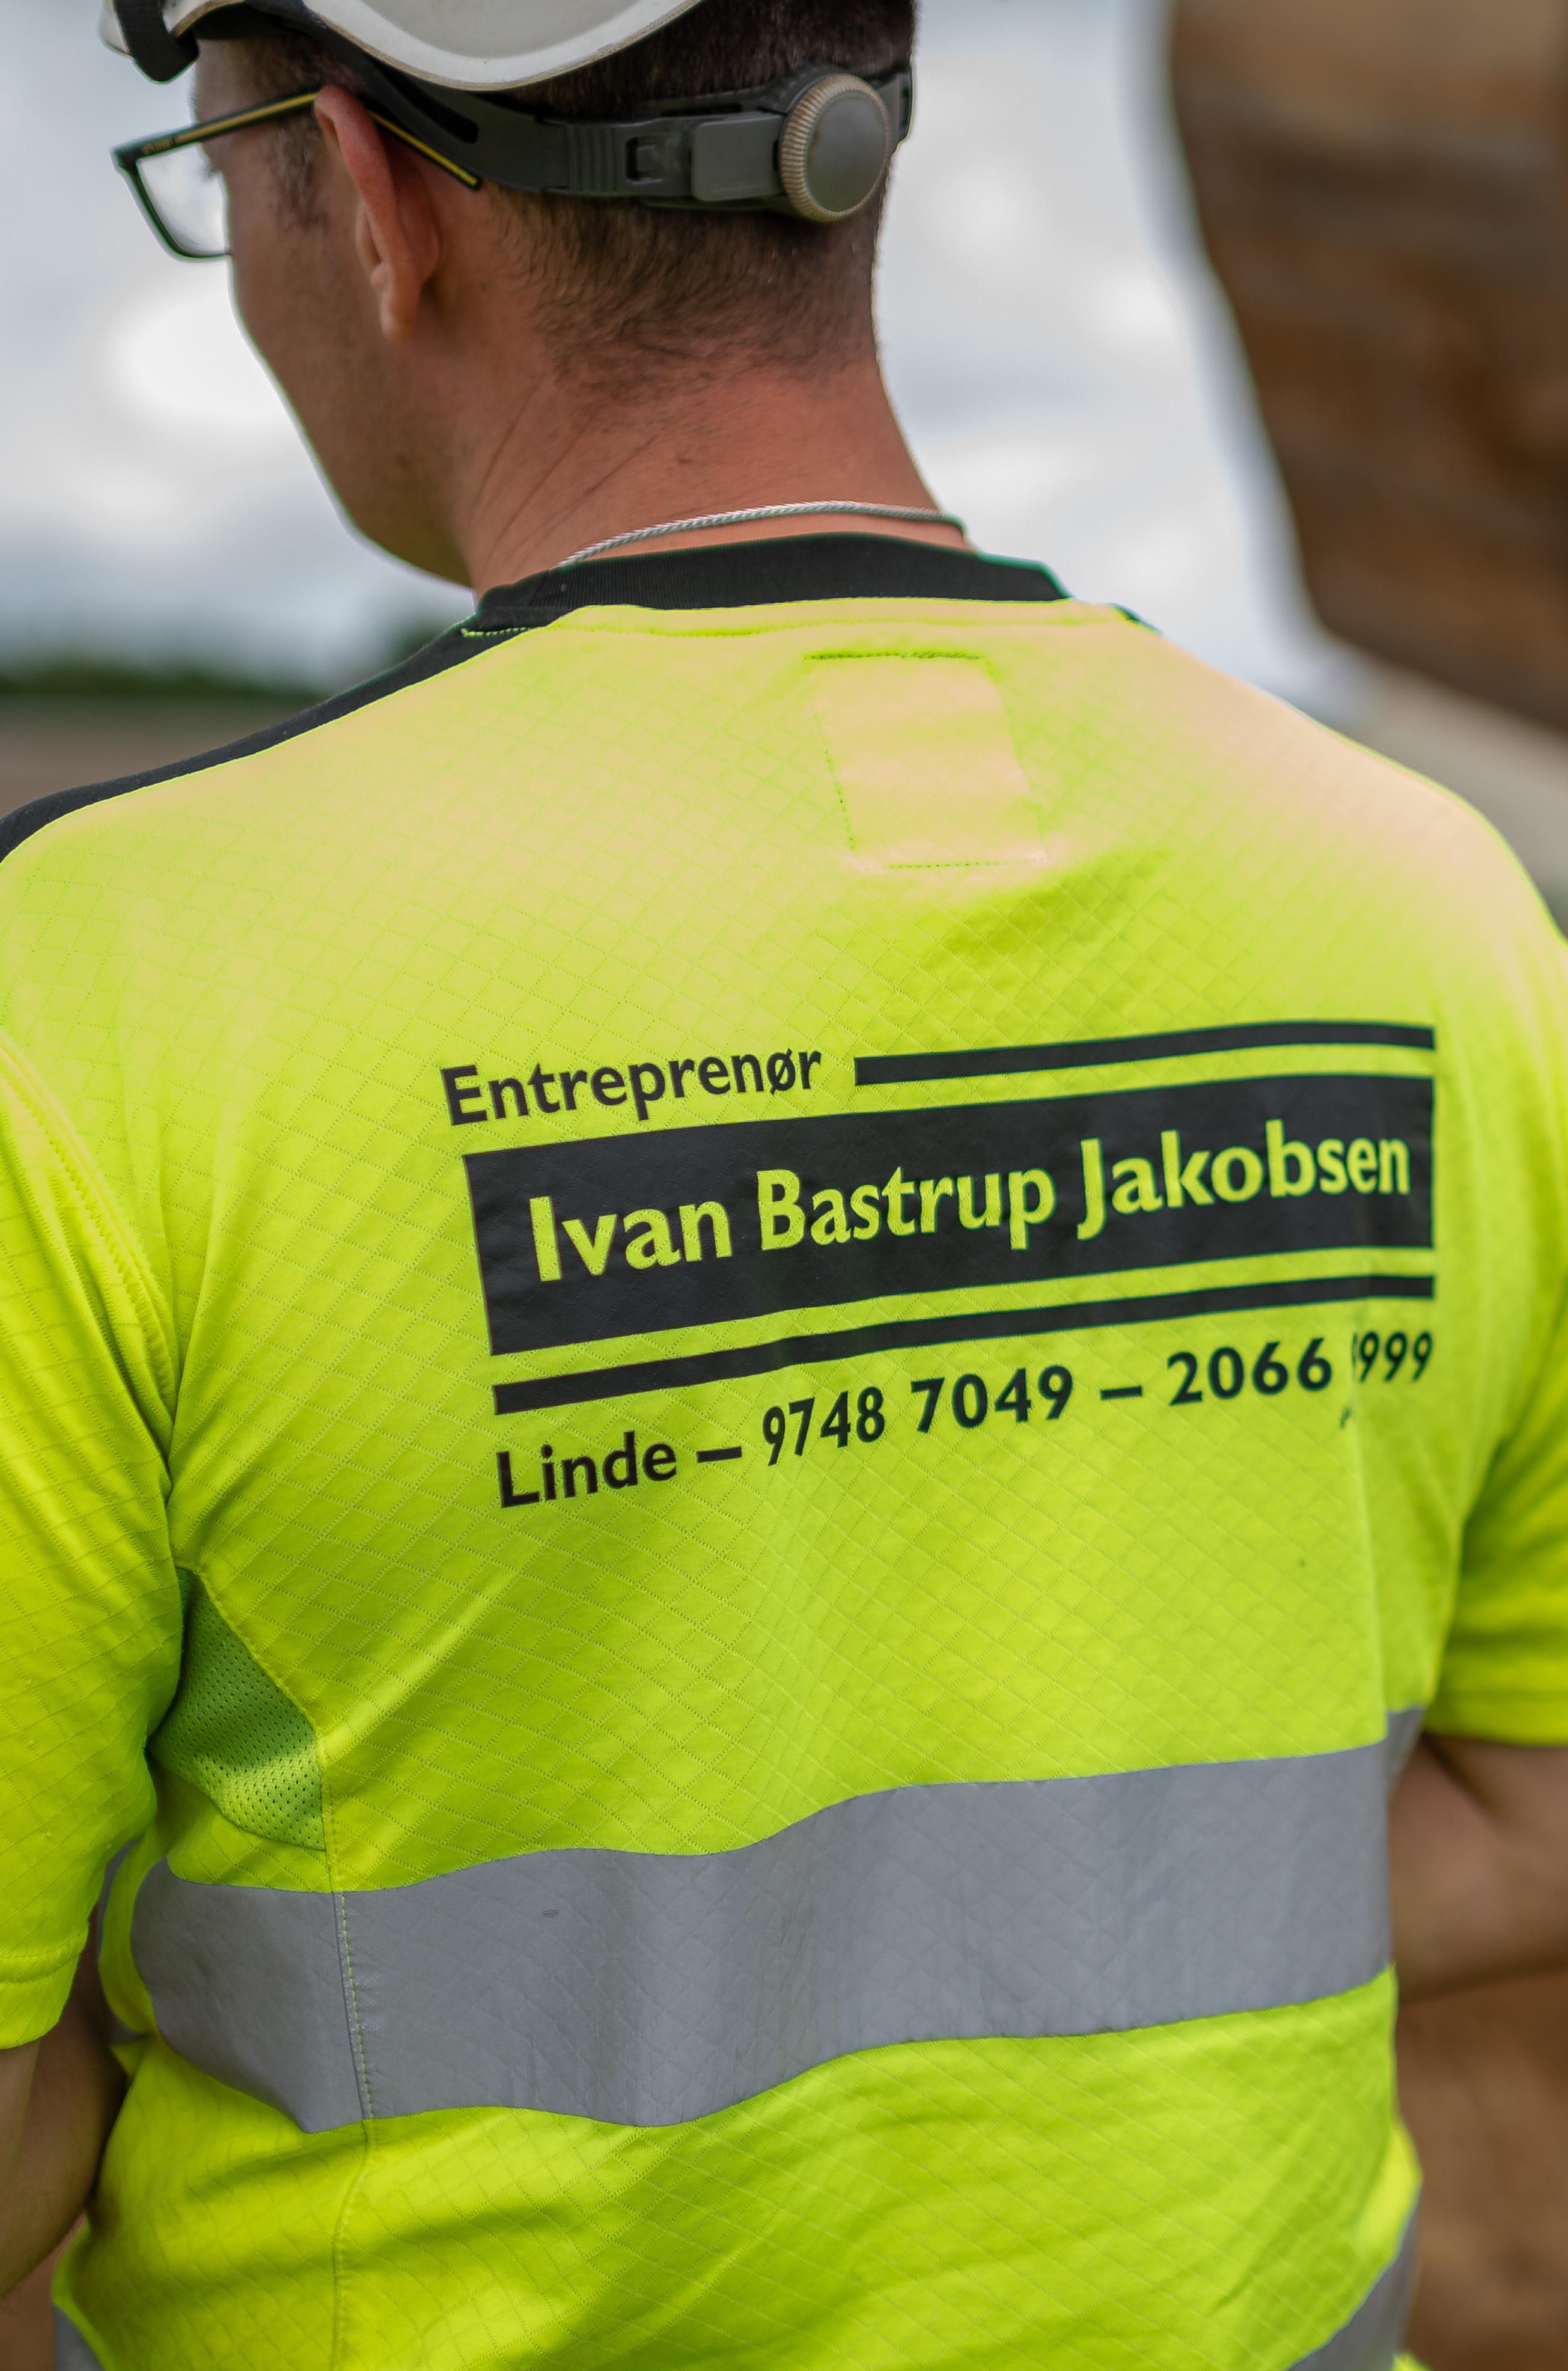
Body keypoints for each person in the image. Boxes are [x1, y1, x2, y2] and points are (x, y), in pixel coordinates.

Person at [2, 2, 1567, 2364]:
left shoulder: (101, 988)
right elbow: (1534, 1801)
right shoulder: (1432, 908)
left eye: (219, 176)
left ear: (374, 200)